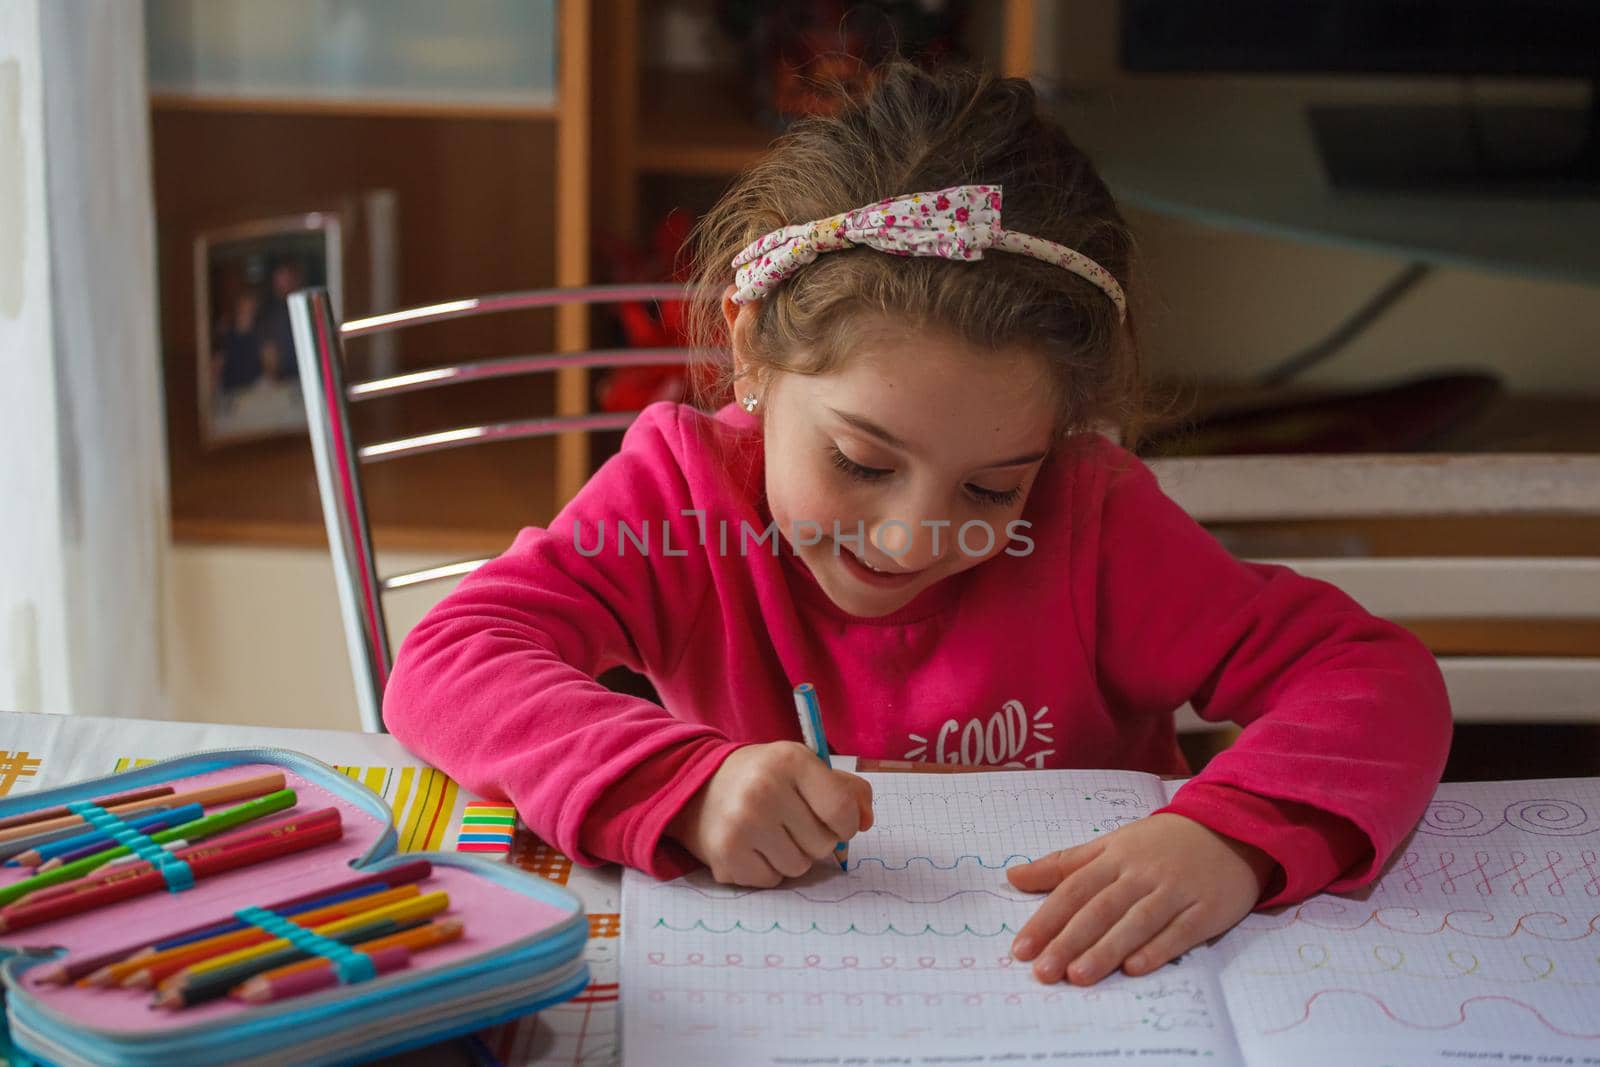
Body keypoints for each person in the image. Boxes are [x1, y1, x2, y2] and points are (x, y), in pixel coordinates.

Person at [383, 63, 1450, 988]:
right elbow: (448, 660)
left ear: (1061, 437)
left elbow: (1372, 676)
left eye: (991, 489)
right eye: (860, 461)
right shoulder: (682, 498)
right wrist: (682, 784)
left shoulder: (1092, 514)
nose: (909, 538)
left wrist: (1230, 836)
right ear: (752, 352)